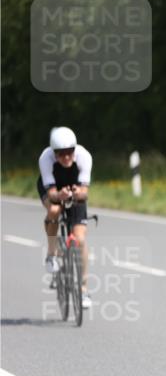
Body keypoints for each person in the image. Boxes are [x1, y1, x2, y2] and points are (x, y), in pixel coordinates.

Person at [38, 127, 93, 308]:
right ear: (54, 152)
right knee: (54, 211)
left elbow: (85, 193)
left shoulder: (84, 156)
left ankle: (83, 290)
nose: (66, 157)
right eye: (61, 154)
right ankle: (51, 254)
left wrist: (77, 193)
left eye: (70, 152)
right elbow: (51, 193)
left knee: (80, 239)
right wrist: (59, 195)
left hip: (74, 187)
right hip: (53, 187)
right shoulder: (45, 159)